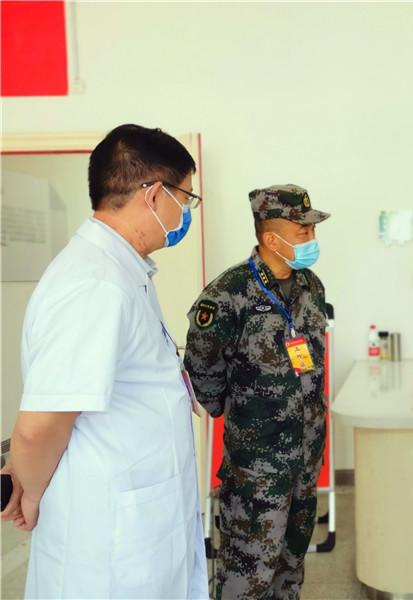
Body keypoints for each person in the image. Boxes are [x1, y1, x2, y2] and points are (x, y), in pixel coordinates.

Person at [0, 124, 208, 598]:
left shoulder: (120, 270)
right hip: (110, 535)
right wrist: (30, 492)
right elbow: (41, 423)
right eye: (185, 199)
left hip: (137, 515)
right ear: (154, 195)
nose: (185, 213)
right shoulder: (94, 283)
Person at [184, 185, 330, 599]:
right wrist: (238, 412)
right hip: (256, 470)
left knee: (290, 569)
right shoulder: (227, 295)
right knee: (246, 577)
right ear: (271, 238)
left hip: (304, 461)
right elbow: (201, 369)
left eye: (312, 230)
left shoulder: (311, 286)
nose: (312, 239)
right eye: (303, 232)